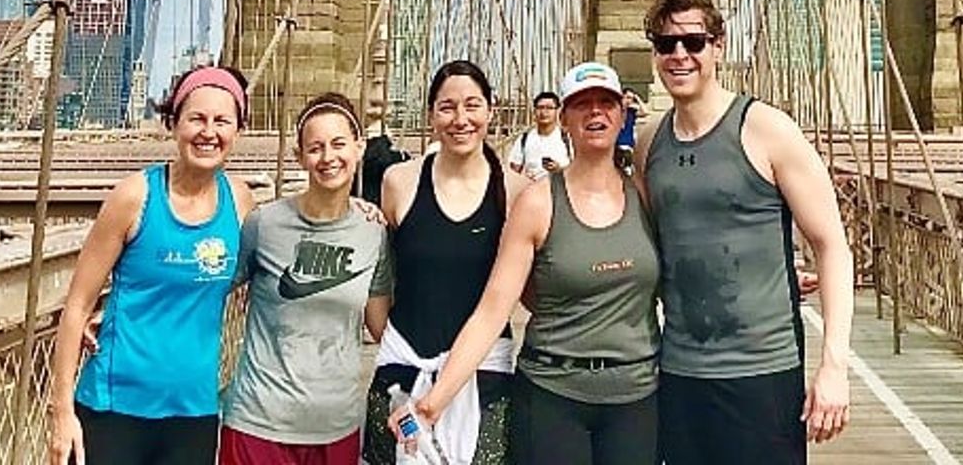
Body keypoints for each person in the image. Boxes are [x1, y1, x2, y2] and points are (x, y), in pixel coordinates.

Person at [397, 61, 660, 465]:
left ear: (622, 114)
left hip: (636, 396)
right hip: (553, 395)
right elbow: (492, 311)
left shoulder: (647, 196)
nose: (595, 112)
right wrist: (431, 404)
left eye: (605, 103)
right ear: (564, 117)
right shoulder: (536, 203)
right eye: (581, 104)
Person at [638, 0, 854, 465]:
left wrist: (834, 366)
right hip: (679, 374)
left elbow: (832, 246)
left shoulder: (768, 129)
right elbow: (654, 250)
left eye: (693, 43)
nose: (679, 55)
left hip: (763, 374)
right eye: (665, 44)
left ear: (718, 46)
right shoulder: (649, 143)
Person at [48, 65, 256, 465]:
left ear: (238, 131)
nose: (208, 132)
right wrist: (61, 413)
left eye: (221, 121)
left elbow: (254, 274)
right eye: (196, 118)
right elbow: (75, 306)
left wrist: (349, 209)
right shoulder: (134, 196)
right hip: (114, 408)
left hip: (192, 414)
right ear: (173, 124)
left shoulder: (241, 202)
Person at [363, 61, 528, 465]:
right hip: (402, 371)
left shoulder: (517, 190)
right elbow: (381, 274)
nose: (461, 119)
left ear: (490, 110)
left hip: (485, 379)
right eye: (447, 107)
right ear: (431, 114)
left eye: (472, 105)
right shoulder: (397, 181)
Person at [220, 91, 394, 465]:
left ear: (359, 147)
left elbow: (384, 328)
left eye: (338, 144)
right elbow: (209, 290)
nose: (328, 158)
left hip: (336, 427)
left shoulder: (373, 232)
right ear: (300, 157)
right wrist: (125, 313)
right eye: (315, 148)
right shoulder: (264, 224)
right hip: (258, 421)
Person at [507, 89, 570, 180]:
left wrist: (559, 169)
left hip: (560, 191)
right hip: (532, 189)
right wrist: (523, 179)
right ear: (534, 111)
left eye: (549, 108)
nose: (544, 112)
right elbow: (513, 171)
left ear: (558, 111)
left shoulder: (567, 138)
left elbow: (580, 170)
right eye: (540, 107)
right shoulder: (524, 139)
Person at [614, 89, 644, 175]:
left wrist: (637, 99)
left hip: (628, 145)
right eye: (627, 97)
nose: (629, 100)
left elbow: (645, 112)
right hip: (616, 145)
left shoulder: (631, 111)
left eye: (631, 98)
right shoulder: (615, 111)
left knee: (628, 172)